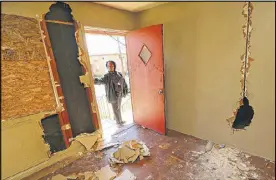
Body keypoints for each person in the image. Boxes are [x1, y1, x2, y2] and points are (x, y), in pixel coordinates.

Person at [94, 61, 128, 125]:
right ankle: (118, 122)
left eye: (112, 65)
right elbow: (101, 81)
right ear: (107, 67)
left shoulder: (119, 74)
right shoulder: (107, 76)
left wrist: (125, 90)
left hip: (119, 94)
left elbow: (123, 82)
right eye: (109, 66)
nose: (110, 67)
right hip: (113, 95)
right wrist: (93, 80)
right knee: (115, 109)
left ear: (114, 66)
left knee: (118, 108)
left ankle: (120, 120)